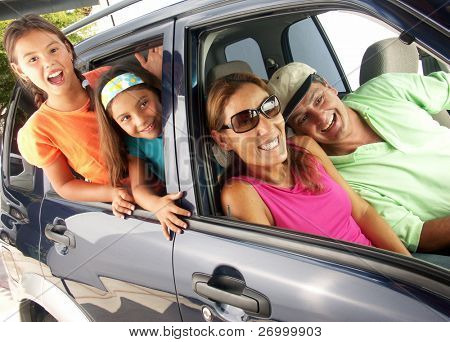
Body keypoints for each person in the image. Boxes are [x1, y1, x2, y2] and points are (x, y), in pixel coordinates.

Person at [207, 72, 410, 256]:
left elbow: (362, 211)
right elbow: (282, 271)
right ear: (223, 140)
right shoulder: (241, 193)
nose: (267, 127)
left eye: (269, 108)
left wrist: (408, 268)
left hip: (388, 267)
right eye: (244, 121)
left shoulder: (305, 147)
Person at [268, 62, 450, 253]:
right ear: (296, 132)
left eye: (319, 100)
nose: (320, 117)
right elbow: (418, 236)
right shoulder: (339, 183)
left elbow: (446, 88)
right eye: (303, 118)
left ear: (330, 86)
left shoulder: (384, 89)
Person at [2, 14, 159, 219]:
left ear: (68, 48)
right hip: (136, 207)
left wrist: (156, 80)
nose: (48, 62)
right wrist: (111, 193)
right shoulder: (37, 131)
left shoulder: (106, 79)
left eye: (53, 50)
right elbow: (64, 185)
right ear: (20, 70)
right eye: (33, 59)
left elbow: (150, 110)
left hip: (174, 175)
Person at [95, 64, 191, 239]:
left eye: (144, 103)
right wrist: (157, 205)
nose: (141, 121)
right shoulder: (134, 143)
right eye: (126, 118)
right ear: (116, 124)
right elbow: (139, 189)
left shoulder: (184, 112)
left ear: (157, 93)